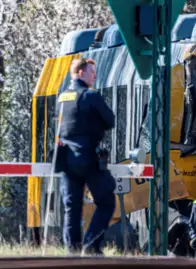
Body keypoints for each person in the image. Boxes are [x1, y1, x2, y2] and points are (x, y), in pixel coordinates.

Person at [54, 58, 116, 256]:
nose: (94, 76)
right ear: (80, 73)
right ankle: (92, 245)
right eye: (91, 72)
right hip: (86, 156)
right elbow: (110, 120)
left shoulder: (62, 97)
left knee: (72, 207)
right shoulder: (90, 96)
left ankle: (72, 252)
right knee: (106, 200)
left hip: (65, 158)